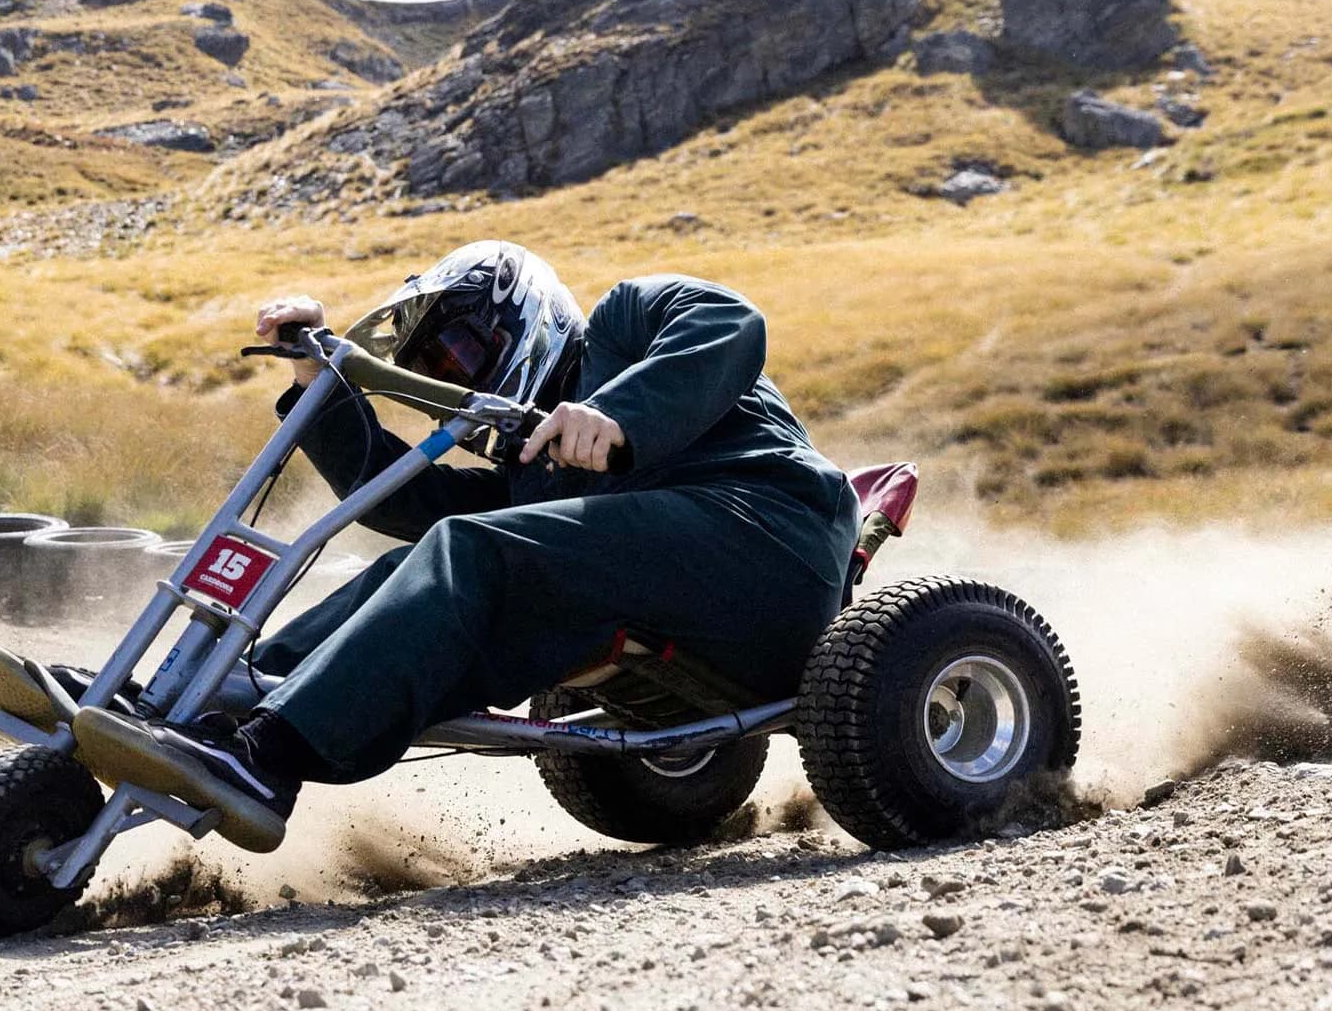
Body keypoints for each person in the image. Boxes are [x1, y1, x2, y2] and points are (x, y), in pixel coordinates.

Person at [44, 241, 858, 852]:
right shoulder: (531, 456)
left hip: (768, 540)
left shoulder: (629, 318)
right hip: (680, 601)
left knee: (473, 548)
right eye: (435, 365)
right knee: (431, 553)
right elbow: (416, 507)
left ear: (522, 314)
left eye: (463, 350)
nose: (455, 373)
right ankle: (209, 705)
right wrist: (310, 385)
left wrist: (619, 417)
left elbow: (730, 325)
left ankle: (268, 755)